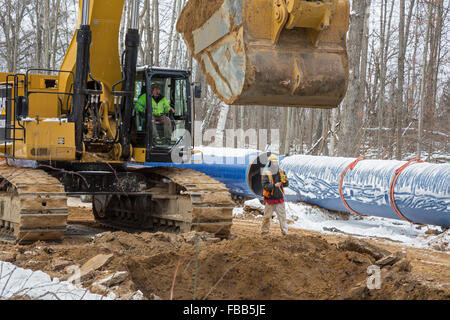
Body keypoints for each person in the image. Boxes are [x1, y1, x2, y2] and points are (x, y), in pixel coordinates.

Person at [261, 154, 289, 236]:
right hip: (270, 200)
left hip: (279, 199)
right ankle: (264, 233)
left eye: (276, 162)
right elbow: (265, 186)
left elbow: (287, 184)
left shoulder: (282, 172)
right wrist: (274, 185)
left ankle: (285, 233)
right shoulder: (266, 173)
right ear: (270, 162)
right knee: (267, 217)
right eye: (274, 162)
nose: (275, 163)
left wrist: (284, 181)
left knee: (282, 217)